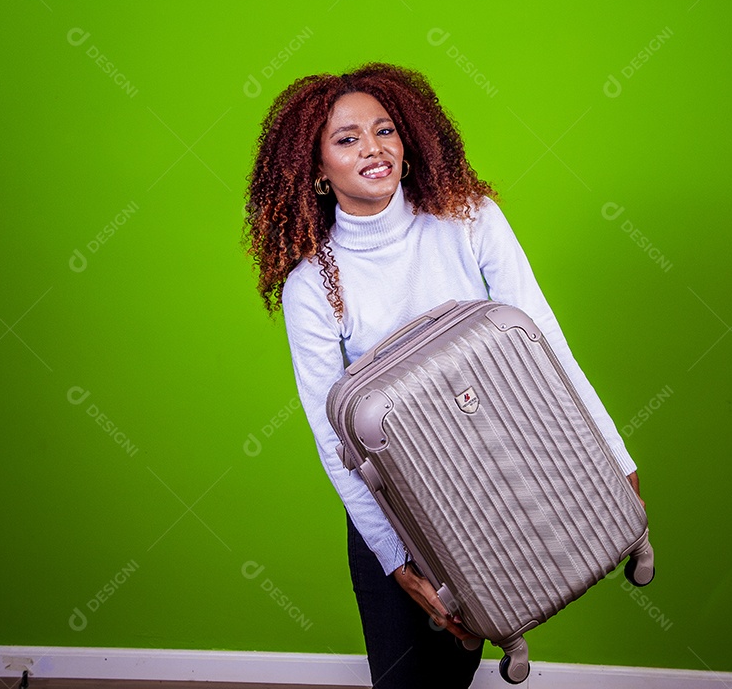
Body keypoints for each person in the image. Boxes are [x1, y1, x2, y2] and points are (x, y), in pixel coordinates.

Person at [243, 62, 644, 689]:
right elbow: (335, 440)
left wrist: (614, 456)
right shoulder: (312, 287)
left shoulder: (470, 218)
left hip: (499, 469)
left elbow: (546, 345)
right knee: (406, 682)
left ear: (409, 138)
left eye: (384, 131)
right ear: (317, 169)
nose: (373, 149)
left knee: (456, 671)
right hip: (397, 507)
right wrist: (398, 560)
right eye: (346, 140)